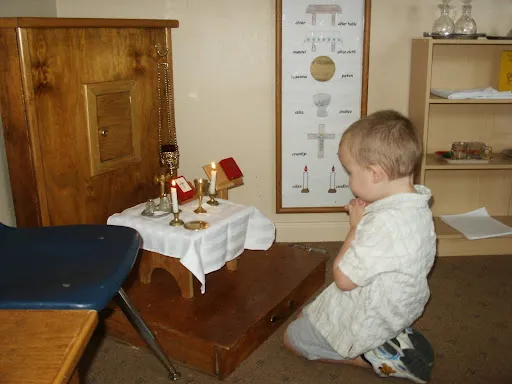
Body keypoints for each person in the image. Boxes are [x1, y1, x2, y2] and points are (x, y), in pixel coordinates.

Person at [283, 110, 437, 383]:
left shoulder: (382, 226)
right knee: (309, 313)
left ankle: (370, 359)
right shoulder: (417, 203)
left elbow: (343, 279)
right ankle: (392, 337)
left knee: (292, 338)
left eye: (350, 172)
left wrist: (355, 228)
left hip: (374, 311)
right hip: (402, 303)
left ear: (375, 173)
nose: (349, 180)